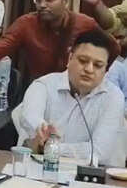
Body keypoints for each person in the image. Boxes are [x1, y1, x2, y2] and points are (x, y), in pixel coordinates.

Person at [0, 0, 120, 81]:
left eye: (49, 0)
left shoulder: (84, 23)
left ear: (65, 1)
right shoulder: (26, 24)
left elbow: (113, 48)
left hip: (78, 94)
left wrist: (96, 73)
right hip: (42, 93)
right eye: (38, 0)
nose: (42, 5)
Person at [15, 30, 124, 165]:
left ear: (106, 70)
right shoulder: (44, 85)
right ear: (70, 58)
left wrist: (51, 147)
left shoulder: (113, 97)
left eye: (98, 65)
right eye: (83, 61)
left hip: (88, 175)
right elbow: (30, 118)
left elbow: (99, 151)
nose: (89, 69)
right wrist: (42, 131)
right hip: (39, 168)